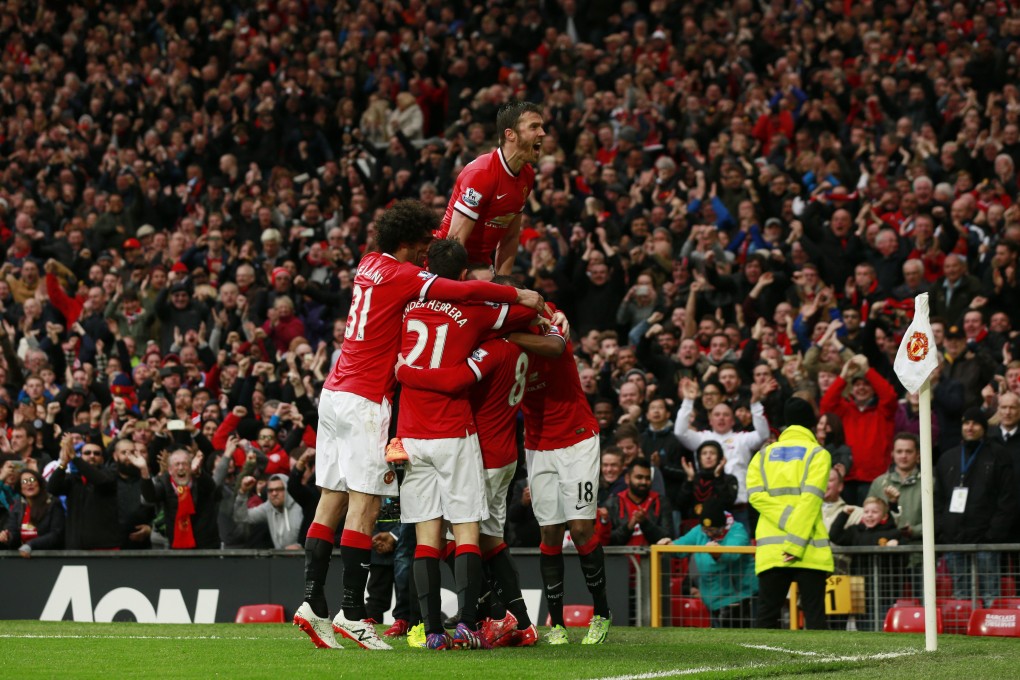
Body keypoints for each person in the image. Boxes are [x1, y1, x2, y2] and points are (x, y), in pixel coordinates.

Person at [296, 200, 542, 650]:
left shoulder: (368, 264)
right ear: (408, 245)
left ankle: (312, 601)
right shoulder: (406, 276)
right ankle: (354, 613)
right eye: (421, 246)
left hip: (332, 392)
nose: (424, 254)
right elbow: (460, 292)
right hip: (368, 399)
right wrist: (515, 293)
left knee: (330, 498)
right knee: (365, 505)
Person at [391, 238, 541, 651]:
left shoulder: (405, 305)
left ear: (425, 268)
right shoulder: (474, 314)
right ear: (461, 277)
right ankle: (468, 626)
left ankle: (431, 631)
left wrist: (405, 373)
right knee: (468, 531)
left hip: (412, 434)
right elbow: (526, 310)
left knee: (425, 537)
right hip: (454, 433)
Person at [518, 305, 611, 645]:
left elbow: (556, 341)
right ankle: (556, 624)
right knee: (550, 531)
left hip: (577, 439)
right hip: (538, 445)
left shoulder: (550, 327)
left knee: (582, 527)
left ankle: (601, 614)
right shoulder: (502, 345)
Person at [747, 397, 834, 630]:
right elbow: (810, 502)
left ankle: (760, 666)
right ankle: (822, 666)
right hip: (808, 547)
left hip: (772, 549)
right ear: (811, 424)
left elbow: (755, 496)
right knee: (815, 618)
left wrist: (784, 520)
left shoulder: (762, 456)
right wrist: (795, 541)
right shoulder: (818, 454)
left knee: (766, 617)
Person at [436, 101, 544, 274]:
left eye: (541, 127)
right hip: (448, 265)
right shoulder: (482, 173)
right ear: (510, 135)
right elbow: (454, 242)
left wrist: (503, 286)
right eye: (534, 127)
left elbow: (510, 238)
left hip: (480, 265)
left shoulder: (527, 175)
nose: (542, 133)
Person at [935, 408, 1015, 607]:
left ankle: (993, 635)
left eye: (975, 423)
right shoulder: (948, 458)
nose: (970, 427)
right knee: (961, 597)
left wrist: (993, 534)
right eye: (966, 423)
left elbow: (1007, 498)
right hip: (955, 540)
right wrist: (944, 529)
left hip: (986, 540)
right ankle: (964, 636)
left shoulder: (998, 455)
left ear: (984, 428)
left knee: (990, 595)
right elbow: (938, 498)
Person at [674, 378, 769, 530]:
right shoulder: (702, 438)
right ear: (710, 420)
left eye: (726, 415)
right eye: (717, 415)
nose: (721, 418)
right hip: (708, 508)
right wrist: (688, 401)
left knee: (738, 550)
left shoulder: (742, 438)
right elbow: (679, 432)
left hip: (739, 508)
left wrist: (756, 404)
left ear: (733, 420)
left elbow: (763, 435)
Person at [819, 354, 898, 505]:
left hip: (874, 479)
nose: (861, 388)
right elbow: (826, 405)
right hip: (846, 479)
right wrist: (843, 377)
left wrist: (868, 370)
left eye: (866, 384)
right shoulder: (844, 409)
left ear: (873, 388)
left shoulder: (883, 412)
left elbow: (889, 396)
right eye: (857, 384)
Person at [671, 499, 757, 628]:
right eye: (706, 530)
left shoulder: (738, 531)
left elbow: (731, 555)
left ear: (722, 526)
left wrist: (717, 553)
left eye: (713, 530)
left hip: (741, 600)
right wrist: (668, 544)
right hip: (713, 601)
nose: (709, 534)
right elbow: (680, 546)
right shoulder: (699, 530)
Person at [136, 448, 221, 549]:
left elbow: (212, 489)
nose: (181, 468)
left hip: (206, 546)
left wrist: (198, 472)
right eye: (177, 464)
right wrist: (144, 470)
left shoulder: (200, 479)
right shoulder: (164, 482)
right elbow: (150, 497)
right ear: (170, 470)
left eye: (185, 464)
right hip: (177, 546)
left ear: (190, 467)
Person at [46, 435, 120, 550]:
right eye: (87, 453)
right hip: (75, 546)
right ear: (82, 456)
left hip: (104, 547)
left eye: (97, 453)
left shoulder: (110, 475)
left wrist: (75, 459)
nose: (92, 456)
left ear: (102, 459)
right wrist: (63, 463)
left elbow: (98, 480)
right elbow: (52, 488)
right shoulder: (73, 479)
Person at [603, 457, 674, 547]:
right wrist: (629, 527)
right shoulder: (612, 503)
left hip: (653, 559)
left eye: (647, 478)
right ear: (627, 479)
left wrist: (645, 523)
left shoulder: (661, 501)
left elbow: (668, 538)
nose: (644, 482)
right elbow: (606, 540)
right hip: (621, 560)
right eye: (639, 477)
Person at [867, 434, 922, 544]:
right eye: (899, 451)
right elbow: (867, 515)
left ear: (918, 455)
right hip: (885, 552)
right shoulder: (879, 483)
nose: (903, 456)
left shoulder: (929, 482)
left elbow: (938, 519)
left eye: (909, 451)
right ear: (892, 454)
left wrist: (914, 530)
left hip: (918, 550)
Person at [676, 440, 739, 535]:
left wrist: (718, 477)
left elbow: (727, 503)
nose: (708, 457)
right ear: (699, 458)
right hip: (693, 530)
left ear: (720, 458)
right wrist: (689, 480)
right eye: (704, 453)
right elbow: (681, 505)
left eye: (712, 453)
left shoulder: (729, 479)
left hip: (720, 530)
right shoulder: (693, 477)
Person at [0, 468, 65, 556]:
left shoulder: (53, 504)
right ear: (20, 488)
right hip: (23, 557)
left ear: (39, 483)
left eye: (32, 480)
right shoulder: (18, 506)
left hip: (48, 556)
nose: (29, 483)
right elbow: (13, 532)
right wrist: (7, 537)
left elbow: (56, 534)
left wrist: (31, 545)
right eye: (24, 482)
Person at [233, 473, 304, 550]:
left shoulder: (301, 506)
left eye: (279, 489)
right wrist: (243, 492)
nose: (274, 493)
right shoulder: (268, 507)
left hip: (302, 558)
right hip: (281, 559)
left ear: (288, 489)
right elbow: (242, 517)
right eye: (270, 490)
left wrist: (302, 546)